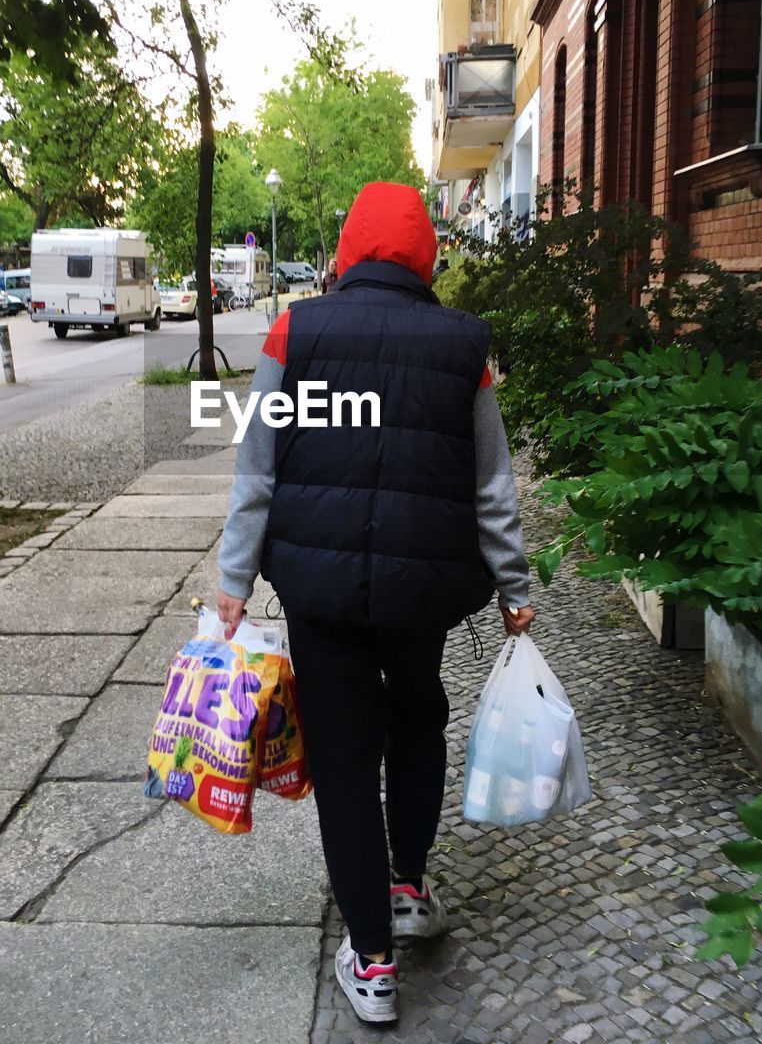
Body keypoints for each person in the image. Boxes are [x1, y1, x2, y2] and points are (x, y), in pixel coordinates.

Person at [216, 181, 533, 1026]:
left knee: (346, 763)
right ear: (426, 251)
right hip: (418, 593)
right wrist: (514, 589)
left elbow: (259, 469)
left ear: (348, 249)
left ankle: (372, 961)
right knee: (417, 719)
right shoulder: (465, 345)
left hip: (320, 596)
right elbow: (491, 485)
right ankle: (406, 887)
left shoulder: (296, 329)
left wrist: (233, 584)